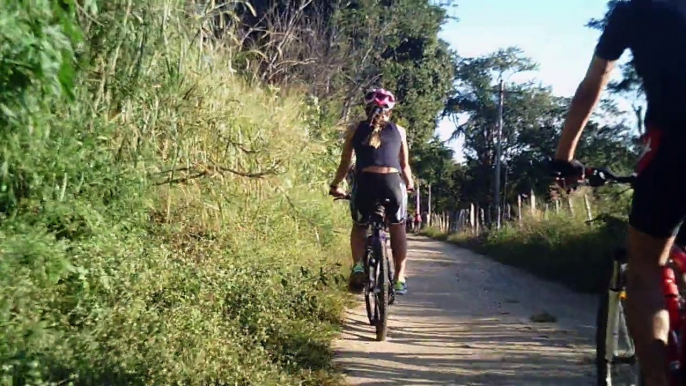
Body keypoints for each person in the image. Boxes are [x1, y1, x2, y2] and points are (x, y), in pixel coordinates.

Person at [551, 1, 686, 384]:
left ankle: (659, 380)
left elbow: (593, 84)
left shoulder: (635, 10)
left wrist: (565, 158)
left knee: (644, 267)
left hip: (675, 146)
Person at [329, 88, 415, 296]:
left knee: (359, 226)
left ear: (366, 109)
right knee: (398, 227)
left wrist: (335, 186)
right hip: (392, 184)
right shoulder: (400, 131)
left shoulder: (354, 129)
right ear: (390, 112)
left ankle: (358, 266)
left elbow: (345, 163)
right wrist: (409, 184)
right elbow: (404, 165)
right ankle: (400, 278)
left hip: (365, 183)